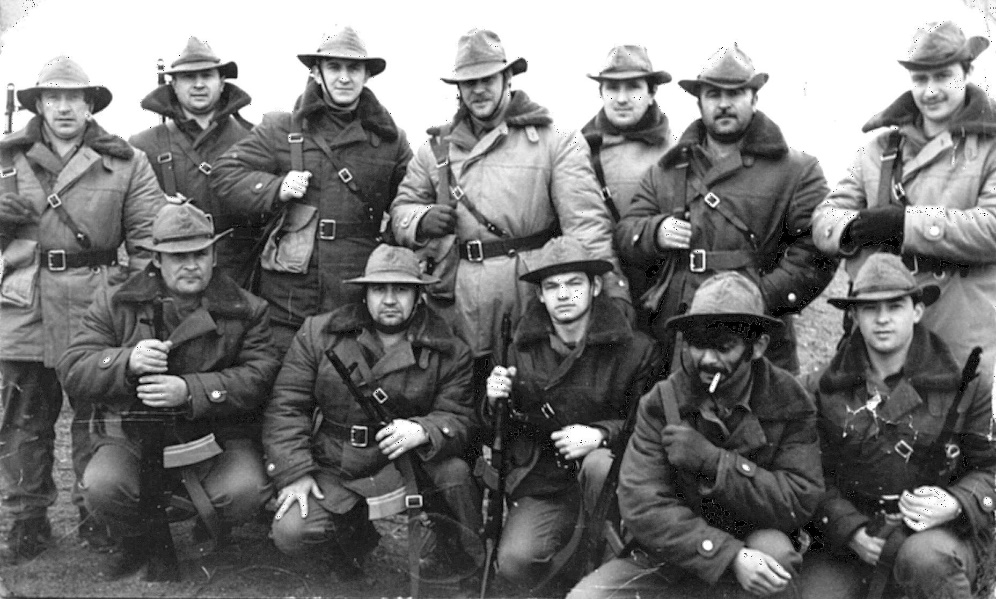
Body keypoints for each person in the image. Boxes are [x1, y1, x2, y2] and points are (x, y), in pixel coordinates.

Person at [56, 199, 280, 577]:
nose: (191, 265)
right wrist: (127, 361)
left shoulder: (247, 309)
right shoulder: (116, 302)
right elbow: (73, 367)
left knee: (245, 490)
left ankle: (211, 528)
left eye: (200, 254)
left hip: (216, 437)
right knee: (102, 485)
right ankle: (135, 540)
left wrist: (190, 390)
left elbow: (260, 376)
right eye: (178, 256)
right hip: (134, 436)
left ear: (214, 256)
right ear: (157, 260)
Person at [568, 272, 824, 599]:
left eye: (724, 347)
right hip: (676, 552)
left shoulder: (789, 400)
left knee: (776, 556)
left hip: (753, 547)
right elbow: (644, 504)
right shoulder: (662, 402)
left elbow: (799, 498)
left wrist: (715, 463)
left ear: (758, 346)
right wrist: (726, 555)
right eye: (698, 344)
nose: (708, 359)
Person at [0, 56, 164, 561]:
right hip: (24, 302)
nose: (64, 107)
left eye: (74, 97)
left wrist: (131, 308)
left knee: (95, 417)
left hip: (97, 303)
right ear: (39, 105)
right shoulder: (6, 159)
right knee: (23, 418)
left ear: (90, 104)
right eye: (53, 97)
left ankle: (97, 515)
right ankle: (26, 520)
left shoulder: (126, 161)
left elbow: (148, 241)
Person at [390, 28, 630, 372]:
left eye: (488, 79)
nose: (478, 90)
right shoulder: (436, 149)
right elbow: (402, 207)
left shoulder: (554, 141)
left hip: (528, 296)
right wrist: (420, 219)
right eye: (469, 82)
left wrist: (610, 294)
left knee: (528, 384)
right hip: (456, 299)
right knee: (460, 387)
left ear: (507, 79)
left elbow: (586, 227)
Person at [263, 244, 481, 582]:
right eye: (379, 289)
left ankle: (461, 559)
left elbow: (459, 415)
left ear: (418, 296)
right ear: (365, 294)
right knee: (292, 530)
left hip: (402, 463)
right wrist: (295, 473)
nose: (390, 300)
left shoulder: (449, 349)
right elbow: (287, 406)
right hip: (335, 460)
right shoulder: (319, 334)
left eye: (402, 290)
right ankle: (350, 540)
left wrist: (423, 430)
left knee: (455, 474)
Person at [615, 44, 835, 374]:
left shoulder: (797, 170)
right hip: (682, 328)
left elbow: (815, 252)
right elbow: (626, 232)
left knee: (761, 405)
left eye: (735, 93)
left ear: (754, 98)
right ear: (699, 102)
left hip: (757, 331)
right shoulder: (668, 169)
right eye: (713, 94)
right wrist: (656, 231)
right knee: (677, 405)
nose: (723, 104)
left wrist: (758, 298)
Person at [797, 253, 996, 599]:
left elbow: (991, 468)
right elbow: (808, 474)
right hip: (857, 536)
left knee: (927, 560)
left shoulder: (967, 383)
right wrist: (849, 530)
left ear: (917, 311)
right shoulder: (821, 388)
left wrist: (956, 502)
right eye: (870, 309)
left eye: (895, 306)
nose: (883, 319)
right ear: (854, 316)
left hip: (937, 536)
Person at [212, 26, 412, 355]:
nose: (344, 77)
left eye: (354, 68)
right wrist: (277, 188)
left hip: (354, 284)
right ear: (317, 73)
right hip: (289, 291)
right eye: (334, 67)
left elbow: (409, 199)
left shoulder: (390, 140)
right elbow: (224, 175)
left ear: (367, 75)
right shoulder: (281, 129)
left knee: (348, 372)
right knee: (281, 373)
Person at [812, 20, 996, 370]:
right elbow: (825, 217)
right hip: (882, 328)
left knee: (959, 403)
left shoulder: (991, 148)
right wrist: (854, 228)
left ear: (968, 73)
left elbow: (992, 228)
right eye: (920, 79)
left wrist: (905, 225)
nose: (930, 91)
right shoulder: (878, 147)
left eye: (943, 76)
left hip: (962, 331)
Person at [483, 236, 659, 592]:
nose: (563, 294)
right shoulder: (518, 349)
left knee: (600, 473)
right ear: (540, 295)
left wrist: (601, 435)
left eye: (574, 283)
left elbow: (649, 424)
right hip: (547, 479)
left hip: (614, 479)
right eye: (552, 286)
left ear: (595, 287)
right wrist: (493, 400)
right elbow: (495, 430)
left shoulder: (636, 350)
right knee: (516, 561)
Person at [130, 36, 263, 282]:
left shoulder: (254, 139)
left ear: (222, 83)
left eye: (207, 76)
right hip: (178, 270)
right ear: (174, 85)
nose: (199, 84)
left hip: (241, 268)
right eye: (189, 77)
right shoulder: (145, 145)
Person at [581, 45, 673, 314]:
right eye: (612, 88)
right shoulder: (578, 150)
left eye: (633, 87)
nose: (622, 99)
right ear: (601, 93)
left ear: (652, 92)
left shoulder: (678, 150)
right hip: (602, 282)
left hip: (664, 284)